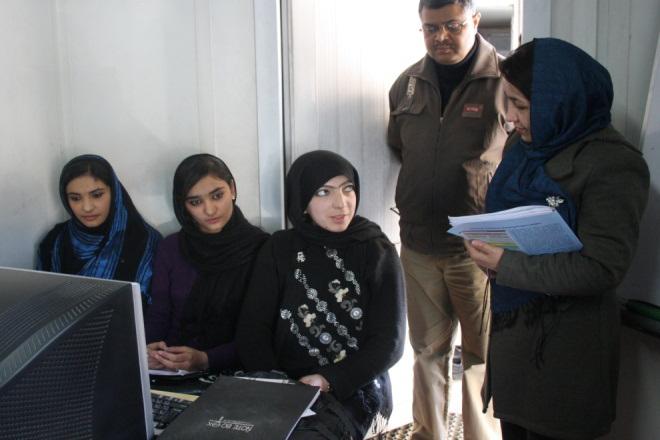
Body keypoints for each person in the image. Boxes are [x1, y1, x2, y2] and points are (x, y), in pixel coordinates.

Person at [465, 38, 650, 439]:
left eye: (521, 105)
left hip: (568, 353)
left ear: (559, 101)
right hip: (515, 337)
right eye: (509, 103)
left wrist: (505, 263)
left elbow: (601, 268)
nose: (511, 118)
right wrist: (485, 241)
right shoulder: (524, 146)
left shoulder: (613, 164)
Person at [387, 0, 507, 438]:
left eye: (452, 26)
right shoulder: (407, 85)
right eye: (430, 28)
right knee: (426, 351)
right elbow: (400, 146)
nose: (440, 37)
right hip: (419, 245)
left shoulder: (504, 81)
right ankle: (429, 434)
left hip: (478, 249)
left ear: (474, 21)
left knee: (481, 356)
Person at [236, 150, 406, 439]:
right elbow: (253, 328)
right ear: (302, 201)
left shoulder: (375, 249)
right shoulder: (280, 247)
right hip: (283, 381)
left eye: (347, 189)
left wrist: (329, 380)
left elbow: (390, 342)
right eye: (324, 192)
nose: (341, 203)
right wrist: (275, 385)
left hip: (354, 385)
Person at [145, 154, 268, 373]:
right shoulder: (171, 248)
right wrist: (151, 351)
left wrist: (206, 359)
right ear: (183, 205)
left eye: (217, 195)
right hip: (171, 370)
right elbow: (159, 315)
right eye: (195, 202)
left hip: (235, 373)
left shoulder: (262, 248)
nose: (209, 210)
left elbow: (262, 332)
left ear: (232, 189)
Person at [38, 154, 161, 307]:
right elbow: (44, 303)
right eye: (75, 198)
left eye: (97, 195)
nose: (87, 207)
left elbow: (155, 309)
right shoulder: (55, 241)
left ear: (114, 193)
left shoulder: (144, 241)